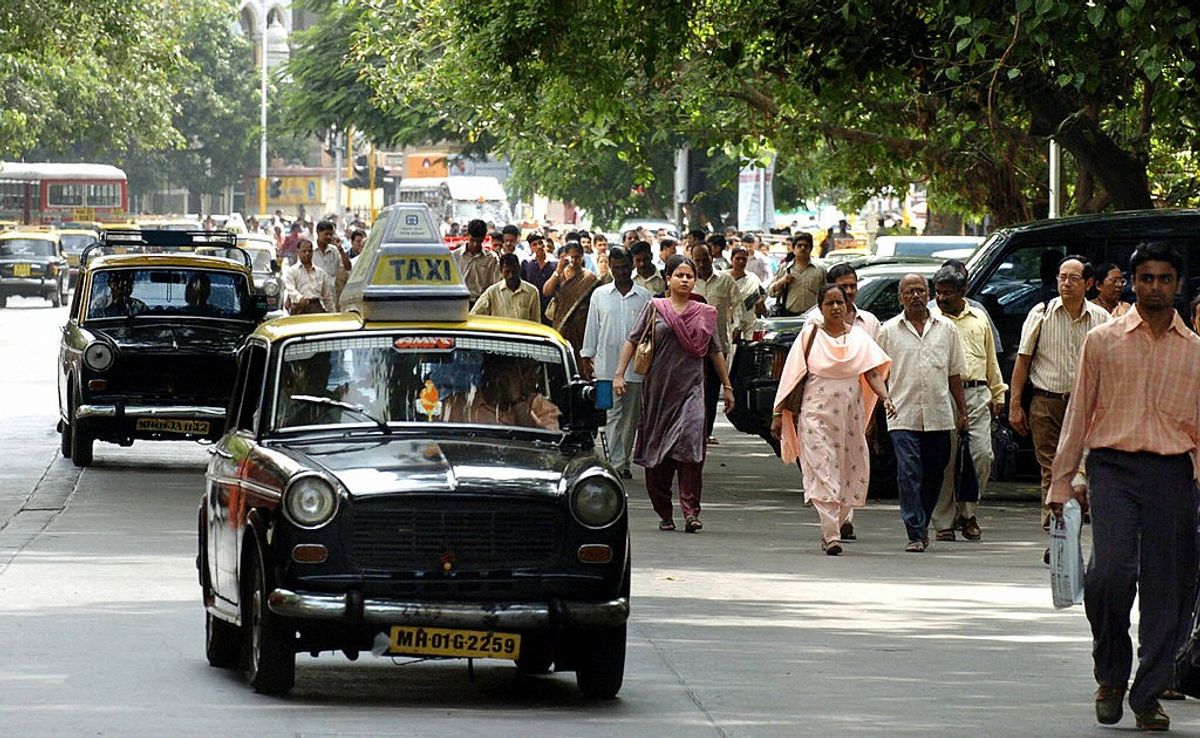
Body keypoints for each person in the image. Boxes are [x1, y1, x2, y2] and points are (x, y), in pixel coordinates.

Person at [1050, 243, 1200, 732]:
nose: (1155, 286)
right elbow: (1078, 416)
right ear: (1133, 281)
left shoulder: (1196, 353)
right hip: (1112, 470)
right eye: (1147, 278)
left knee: (1169, 592)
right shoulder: (1103, 340)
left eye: (1164, 278)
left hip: (1173, 475)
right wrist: (1061, 483)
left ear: (1178, 285)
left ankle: (1148, 692)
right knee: (1109, 576)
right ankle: (1110, 674)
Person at [612, 255, 735, 534]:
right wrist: (619, 374)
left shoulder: (704, 312)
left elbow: (715, 350)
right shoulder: (655, 309)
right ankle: (664, 511)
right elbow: (632, 340)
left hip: (692, 390)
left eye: (689, 276)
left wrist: (727, 386)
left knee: (691, 449)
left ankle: (691, 511)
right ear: (667, 279)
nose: (684, 280)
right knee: (658, 456)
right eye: (679, 275)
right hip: (658, 392)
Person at [771, 283, 893, 555]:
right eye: (830, 303)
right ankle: (831, 535)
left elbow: (873, 373)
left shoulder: (860, 339)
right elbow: (790, 378)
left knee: (848, 472)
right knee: (823, 473)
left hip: (850, 419)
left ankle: (834, 527)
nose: (836, 307)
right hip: (815, 417)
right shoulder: (809, 336)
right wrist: (778, 414)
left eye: (840, 302)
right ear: (820, 307)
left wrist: (886, 397)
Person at [1009, 255, 1110, 530]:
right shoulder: (1041, 313)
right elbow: (1023, 359)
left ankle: (1076, 514)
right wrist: (1015, 404)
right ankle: (1054, 526)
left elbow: (1111, 364)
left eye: (1074, 278)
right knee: (1051, 467)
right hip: (1046, 402)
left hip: (1088, 405)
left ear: (1088, 284)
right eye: (1062, 277)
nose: (1066, 283)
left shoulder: (1102, 318)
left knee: (1083, 465)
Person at [876, 274, 969, 552]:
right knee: (908, 471)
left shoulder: (946, 329)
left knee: (934, 473)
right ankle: (915, 531)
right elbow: (878, 374)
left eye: (920, 291)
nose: (915, 296)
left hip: (939, 413)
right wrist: (881, 402)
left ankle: (923, 520)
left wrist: (963, 412)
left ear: (928, 293)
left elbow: (954, 374)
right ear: (900, 297)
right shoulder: (888, 331)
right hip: (902, 414)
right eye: (909, 292)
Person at [930, 265, 1006, 542]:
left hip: (976, 394)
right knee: (946, 460)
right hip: (942, 395)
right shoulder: (931, 320)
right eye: (938, 292)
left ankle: (968, 512)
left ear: (963, 292)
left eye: (948, 293)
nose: (941, 298)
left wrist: (998, 394)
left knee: (982, 455)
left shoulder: (979, 318)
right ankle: (944, 521)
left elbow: (991, 360)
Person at [581, 248, 651, 479]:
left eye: (624, 267)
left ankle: (623, 461)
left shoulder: (645, 296)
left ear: (632, 266)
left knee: (631, 419)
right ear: (610, 267)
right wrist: (586, 357)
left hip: (636, 371)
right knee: (609, 416)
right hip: (604, 369)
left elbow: (649, 334)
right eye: (616, 267)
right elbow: (592, 328)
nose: (620, 271)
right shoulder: (599, 294)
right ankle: (614, 464)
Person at [690, 243, 738, 445]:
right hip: (691, 347)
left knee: (711, 391)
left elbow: (738, 307)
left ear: (712, 257)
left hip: (717, 347)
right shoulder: (688, 281)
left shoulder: (725, 281)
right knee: (693, 390)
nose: (701, 264)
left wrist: (737, 326)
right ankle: (693, 430)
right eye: (697, 260)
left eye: (705, 259)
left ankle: (706, 432)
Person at [442, 356, 561, 431]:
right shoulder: (457, 406)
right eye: (524, 371)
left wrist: (517, 400)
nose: (534, 377)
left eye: (535, 370)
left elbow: (546, 445)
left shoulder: (541, 407)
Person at [543, 241, 599, 364]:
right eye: (571, 257)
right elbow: (546, 291)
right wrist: (558, 270)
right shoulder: (560, 274)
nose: (574, 260)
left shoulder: (589, 278)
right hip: (561, 324)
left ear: (582, 257)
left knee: (579, 361)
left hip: (580, 327)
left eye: (577, 257)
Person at [470, 253, 542, 323]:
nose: (511, 275)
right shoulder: (492, 292)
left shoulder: (532, 292)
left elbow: (536, 321)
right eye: (507, 272)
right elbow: (474, 314)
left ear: (519, 269)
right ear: (501, 271)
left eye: (514, 271)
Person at [769, 233, 826, 316]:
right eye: (799, 245)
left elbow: (826, 293)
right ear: (793, 248)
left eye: (806, 246)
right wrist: (782, 281)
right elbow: (771, 292)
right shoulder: (785, 268)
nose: (803, 248)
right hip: (789, 317)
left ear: (811, 249)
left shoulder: (820, 270)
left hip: (813, 317)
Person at [454, 219, 501, 306]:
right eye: (472, 240)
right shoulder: (455, 256)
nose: (475, 244)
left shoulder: (491, 258)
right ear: (467, 235)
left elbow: (497, 284)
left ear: (484, 238)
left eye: (479, 241)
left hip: (482, 303)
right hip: (459, 302)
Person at [283, 238, 334, 315]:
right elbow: (290, 289)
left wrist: (332, 312)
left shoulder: (320, 272)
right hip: (299, 307)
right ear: (298, 252)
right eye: (304, 251)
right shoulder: (292, 271)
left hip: (316, 307)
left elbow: (327, 296)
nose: (307, 253)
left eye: (309, 251)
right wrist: (300, 299)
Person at [729, 247, 764, 342]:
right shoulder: (723, 278)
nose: (741, 262)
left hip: (748, 325)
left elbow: (759, 300)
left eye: (744, 259)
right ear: (731, 259)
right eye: (737, 258)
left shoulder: (752, 279)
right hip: (728, 323)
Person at [314, 220, 351, 309]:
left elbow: (348, 267)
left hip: (332, 296)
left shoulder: (335, 251)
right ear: (318, 232)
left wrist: (340, 248)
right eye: (326, 234)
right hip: (315, 295)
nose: (329, 237)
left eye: (331, 234)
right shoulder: (309, 250)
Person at [520, 233, 556, 323]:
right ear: (531, 248)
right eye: (534, 244)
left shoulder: (555, 264)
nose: (539, 246)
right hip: (531, 306)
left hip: (550, 308)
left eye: (541, 243)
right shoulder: (526, 264)